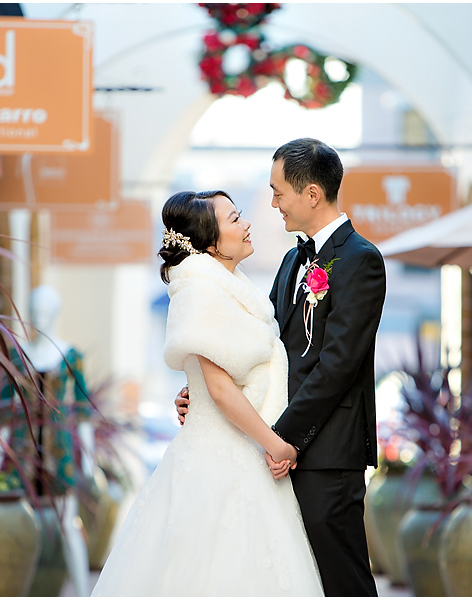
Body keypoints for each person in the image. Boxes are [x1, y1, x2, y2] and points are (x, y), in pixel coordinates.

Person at [176, 138, 386, 596]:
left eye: (278, 192)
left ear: (311, 194)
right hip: (280, 451)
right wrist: (207, 392)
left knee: (342, 580)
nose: (272, 204)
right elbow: (264, 350)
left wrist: (281, 439)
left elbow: (338, 365)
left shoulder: (361, 261)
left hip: (327, 454)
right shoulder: (292, 260)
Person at [91, 190, 324, 596]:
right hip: (220, 457)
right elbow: (218, 388)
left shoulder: (231, 286)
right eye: (235, 218)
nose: (247, 223)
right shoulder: (199, 289)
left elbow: (222, 371)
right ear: (212, 242)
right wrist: (277, 445)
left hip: (243, 452)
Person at [4, 285, 93, 597]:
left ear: (55, 313)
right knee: (19, 525)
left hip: (60, 451)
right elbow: (4, 409)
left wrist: (90, 460)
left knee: (69, 523)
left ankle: (83, 593)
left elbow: (83, 412)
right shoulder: (16, 356)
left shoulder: (71, 356)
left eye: (44, 311)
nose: (38, 318)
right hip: (21, 449)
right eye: (34, 312)